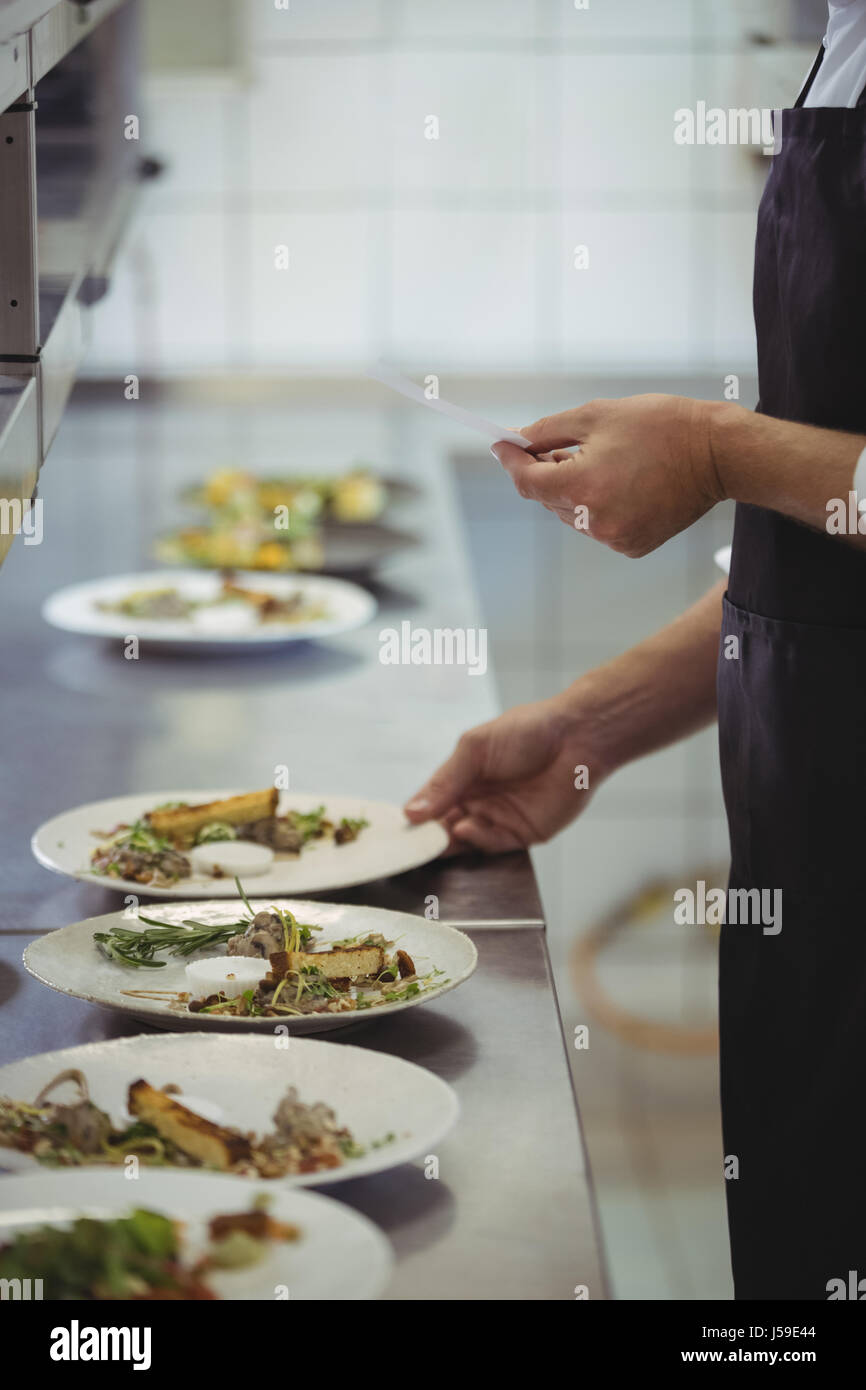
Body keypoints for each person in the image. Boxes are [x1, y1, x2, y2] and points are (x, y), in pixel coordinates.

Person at [405, 8, 866, 1301]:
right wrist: (589, 724)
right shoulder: (839, 44)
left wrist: (723, 450)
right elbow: (828, 557)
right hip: (819, 887)